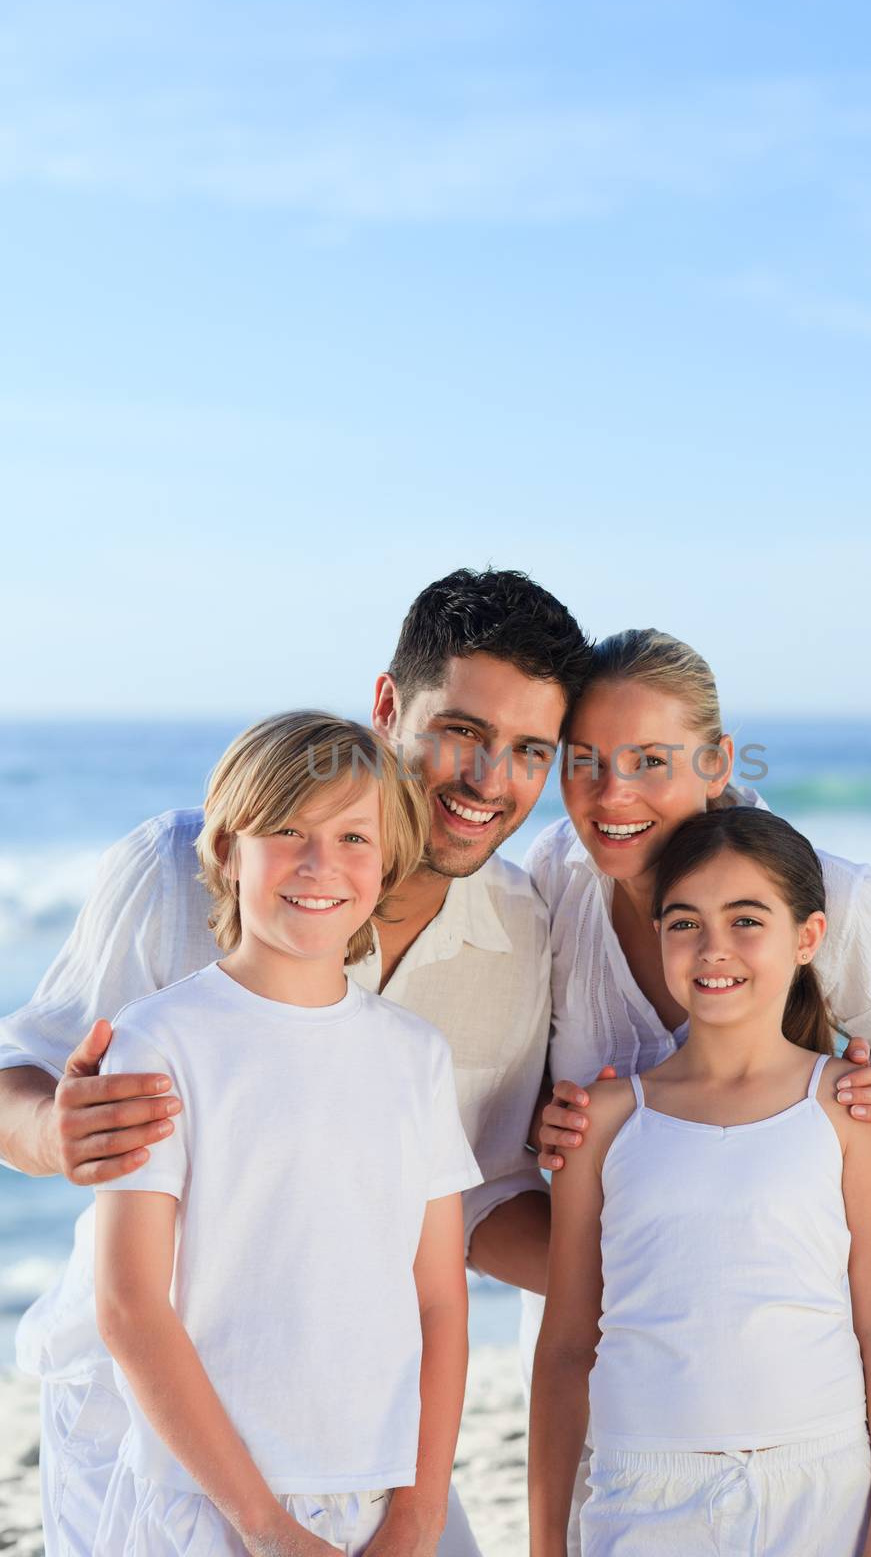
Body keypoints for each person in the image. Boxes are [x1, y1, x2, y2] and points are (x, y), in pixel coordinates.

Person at [0, 568, 591, 1557]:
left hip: (360, 1426)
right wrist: (53, 1133)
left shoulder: (518, 932)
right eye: (463, 732)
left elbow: (470, 1206)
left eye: (528, 750)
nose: (490, 782)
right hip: (145, 1420)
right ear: (387, 704)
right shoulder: (178, 869)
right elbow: (19, 1072)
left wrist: (674, 1268)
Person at [522, 630, 871, 1549]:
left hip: (805, 1455)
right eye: (583, 761)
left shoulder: (808, 890)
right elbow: (565, 1335)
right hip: (639, 1420)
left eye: (648, 760)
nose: (611, 791)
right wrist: (550, 1124)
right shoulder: (551, 884)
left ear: (716, 762)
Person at [91, 710, 481, 1556]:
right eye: (285, 831)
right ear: (228, 853)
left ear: (386, 864)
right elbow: (129, 1307)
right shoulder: (161, 1039)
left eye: (353, 838)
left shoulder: (414, 1054)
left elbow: (440, 1299)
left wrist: (418, 1512)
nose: (320, 864)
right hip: (214, 1502)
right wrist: (265, 1527)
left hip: (388, 1493)